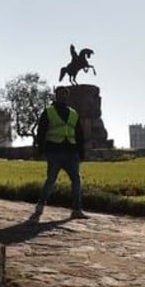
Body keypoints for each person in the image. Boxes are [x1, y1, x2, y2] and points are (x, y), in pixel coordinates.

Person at [29, 87, 88, 222]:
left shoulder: (73, 113)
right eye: (61, 94)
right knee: (51, 180)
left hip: (71, 152)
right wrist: (41, 150)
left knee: (77, 180)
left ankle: (76, 209)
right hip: (54, 151)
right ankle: (40, 206)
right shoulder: (48, 112)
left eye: (65, 94)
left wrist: (81, 152)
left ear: (68, 97)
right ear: (56, 96)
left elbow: (79, 134)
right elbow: (41, 132)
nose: (63, 96)